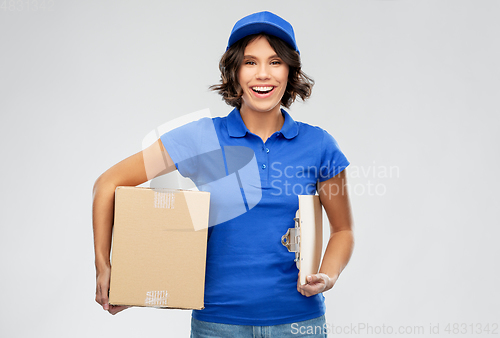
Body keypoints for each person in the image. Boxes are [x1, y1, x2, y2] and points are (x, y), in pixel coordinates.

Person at [92, 11, 354, 338]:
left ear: (290, 70)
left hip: (299, 324)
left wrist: (327, 277)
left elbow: (343, 230)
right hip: (218, 325)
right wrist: (106, 267)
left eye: (275, 62)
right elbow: (108, 184)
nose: (263, 75)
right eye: (250, 62)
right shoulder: (202, 138)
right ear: (234, 70)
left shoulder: (319, 145)